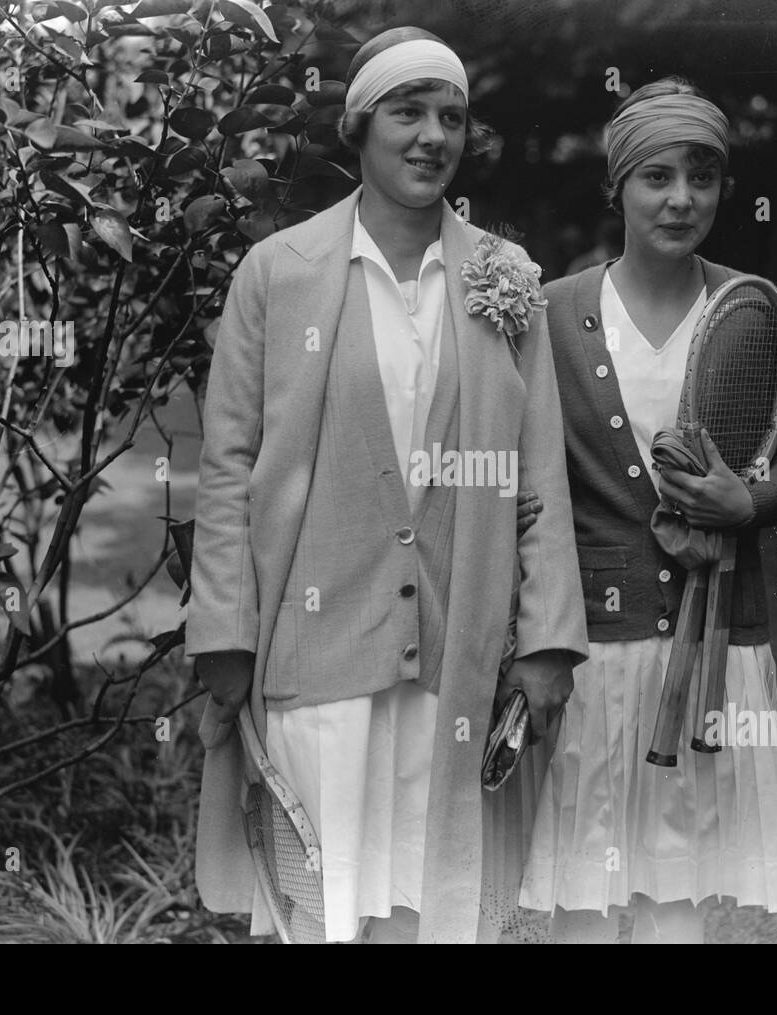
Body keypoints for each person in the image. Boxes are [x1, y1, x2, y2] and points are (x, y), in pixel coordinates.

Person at [185, 26, 587, 945]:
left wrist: (551, 637)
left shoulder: (504, 279)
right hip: (315, 653)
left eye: (451, 116)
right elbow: (228, 467)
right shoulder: (277, 274)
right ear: (360, 128)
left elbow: (539, 475)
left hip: (454, 655)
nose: (432, 136)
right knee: (320, 910)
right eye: (408, 112)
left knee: (427, 912)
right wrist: (223, 630)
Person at [520, 77, 777, 943]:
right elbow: (530, 490)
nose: (681, 198)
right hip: (595, 653)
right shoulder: (553, 313)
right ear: (616, 187)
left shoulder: (751, 309)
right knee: (585, 901)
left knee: (676, 906)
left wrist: (747, 501)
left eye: (703, 176)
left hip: (715, 644)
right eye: (656, 176)